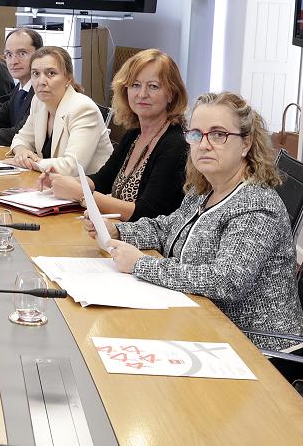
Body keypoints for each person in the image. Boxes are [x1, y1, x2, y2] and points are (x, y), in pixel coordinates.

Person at [84, 92, 303, 351]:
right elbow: (167, 228)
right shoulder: (205, 188)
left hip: (256, 349)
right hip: (204, 325)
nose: (205, 144)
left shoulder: (255, 205)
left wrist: (141, 265)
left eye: (219, 134)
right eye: (197, 134)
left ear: (246, 144)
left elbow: (226, 280)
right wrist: (118, 230)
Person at [39, 49, 188, 221]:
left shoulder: (177, 143)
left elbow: (147, 212)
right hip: (117, 232)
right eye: (135, 85)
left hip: (148, 245)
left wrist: (82, 195)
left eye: (153, 86)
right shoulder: (135, 134)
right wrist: (64, 181)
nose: (142, 94)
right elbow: (102, 180)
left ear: (171, 93)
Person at [8, 46, 113, 174]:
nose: (41, 81)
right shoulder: (38, 101)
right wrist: (21, 152)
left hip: (87, 189)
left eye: (51, 73)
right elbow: (21, 138)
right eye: (36, 73)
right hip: (52, 183)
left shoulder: (83, 109)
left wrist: (31, 163)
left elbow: (72, 167)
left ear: (68, 78)